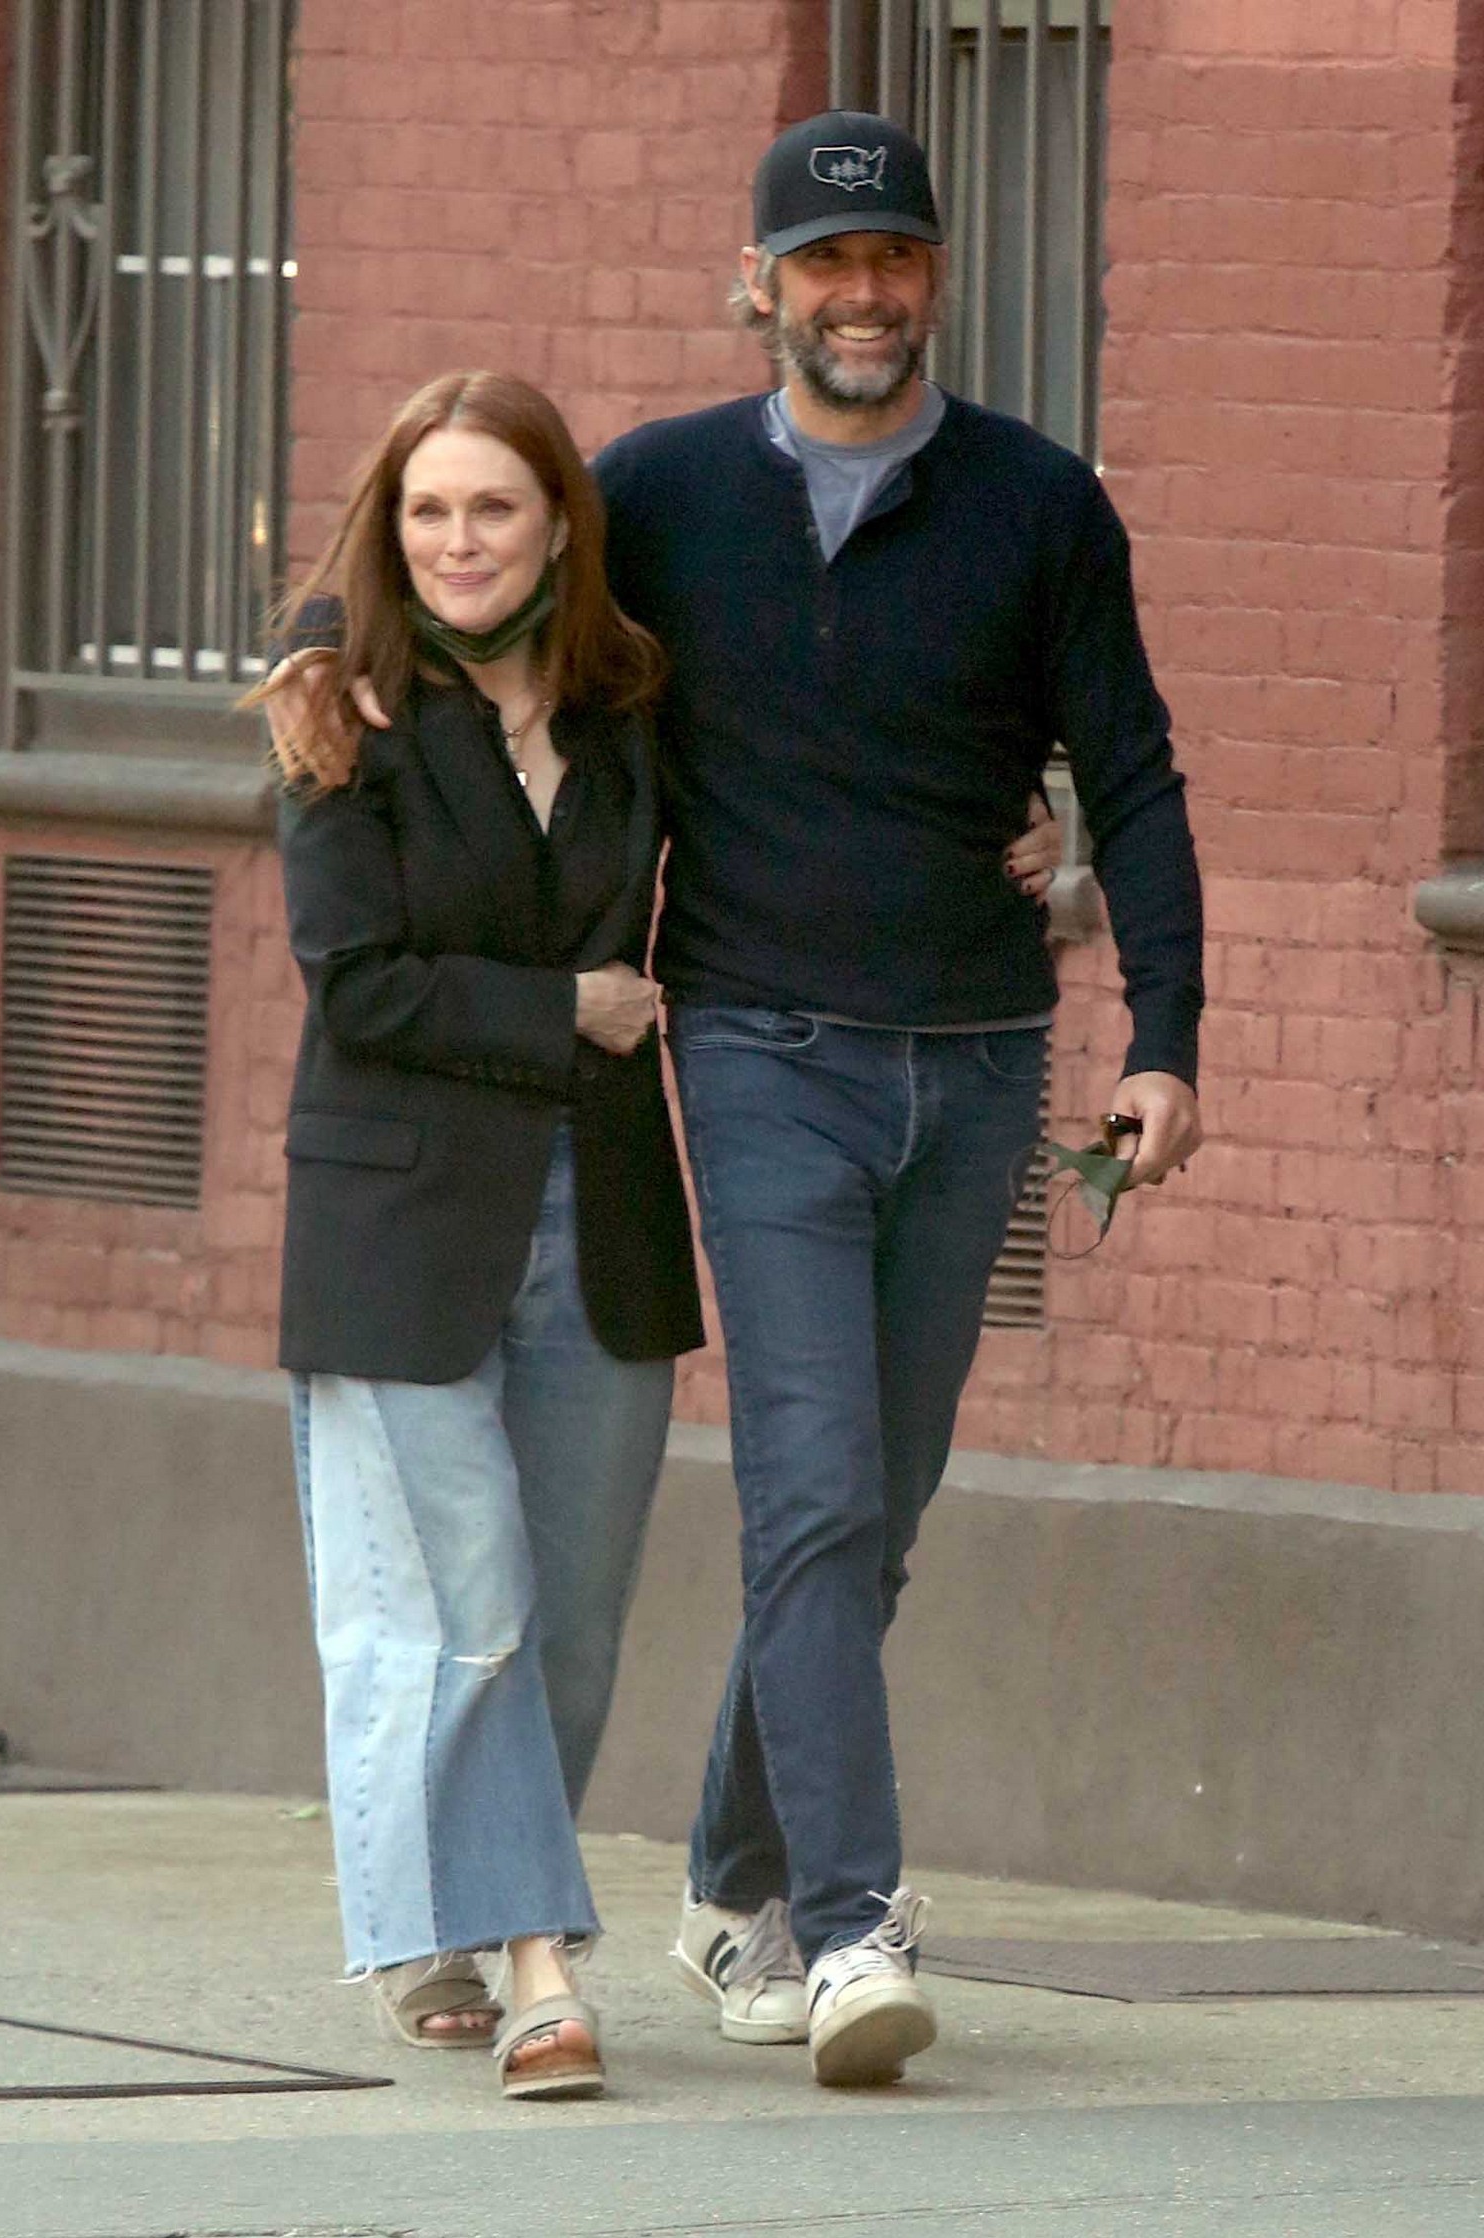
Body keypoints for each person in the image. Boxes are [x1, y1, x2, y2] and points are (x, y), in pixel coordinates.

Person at [586, 110, 1204, 2087]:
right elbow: (474, 602)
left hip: (979, 1061)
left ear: (933, 278)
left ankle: (725, 1882)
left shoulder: (1036, 504)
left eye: (894, 260)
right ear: (757, 284)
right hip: (758, 1049)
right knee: (818, 1491)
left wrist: (1164, 1034)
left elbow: (1132, 774)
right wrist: (326, 656)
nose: (862, 296)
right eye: (825, 264)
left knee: (874, 1514)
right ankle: (850, 1925)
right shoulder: (655, 494)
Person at [249, 370, 704, 2102]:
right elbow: (356, 981)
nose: (459, 540)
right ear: (391, 527)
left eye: (493, 506)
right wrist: (565, 1005)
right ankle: (539, 1966)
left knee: (571, 1626)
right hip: (401, 1221)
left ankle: (441, 1909)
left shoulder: (630, 699)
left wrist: (1011, 838)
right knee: (472, 1607)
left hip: (604, 1212)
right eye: (428, 510)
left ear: (559, 525)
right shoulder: (339, 702)